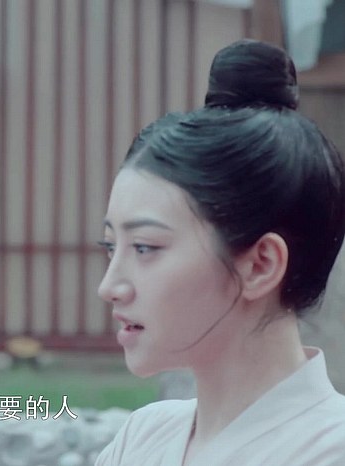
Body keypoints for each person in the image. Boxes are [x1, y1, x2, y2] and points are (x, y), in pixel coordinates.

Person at [94, 39, 345, 466]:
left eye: (145, 247)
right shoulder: (142, 436)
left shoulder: (329, 450)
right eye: (110, 247)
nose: (110, 287)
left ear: (261, 265)